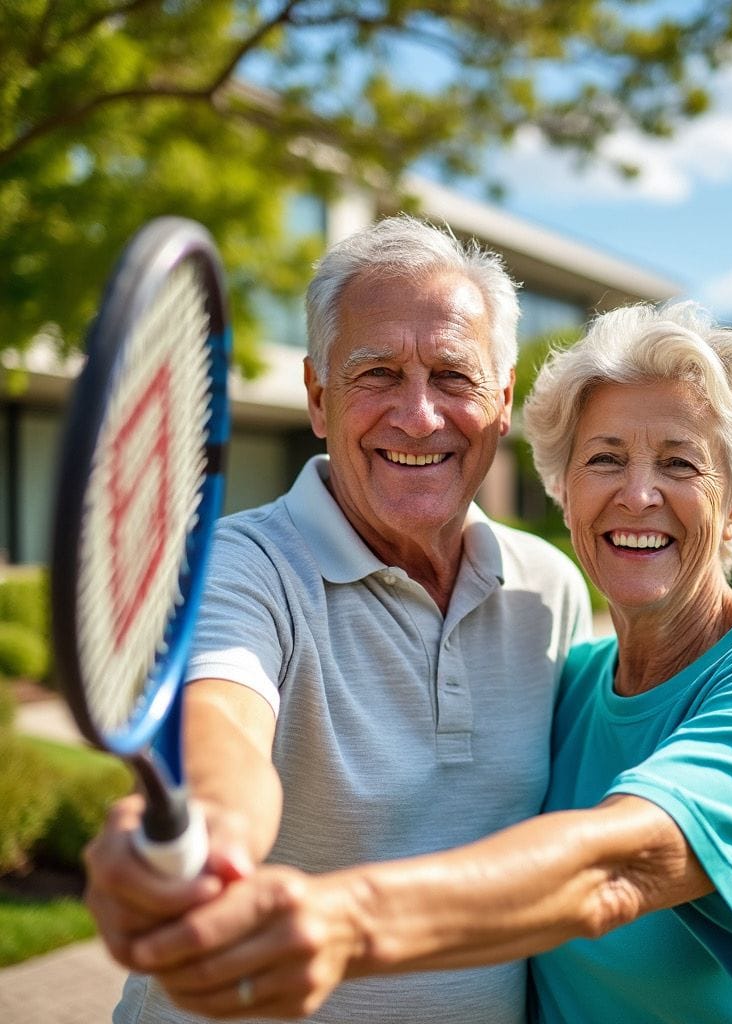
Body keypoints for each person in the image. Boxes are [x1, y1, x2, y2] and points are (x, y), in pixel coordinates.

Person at [116, 300, 732, 1023]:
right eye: (605, 459)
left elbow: (615, 868)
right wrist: (205, 833)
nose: (638, 494)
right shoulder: (570, 684)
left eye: (681, 465)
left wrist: (344, 921)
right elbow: (224, 717)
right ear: (564, 491)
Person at [84, 215, 593, 1024]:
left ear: (503, 404)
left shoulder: (551, 588)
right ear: (319, 398)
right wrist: (209, 833)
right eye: (377, 374)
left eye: (453, 377)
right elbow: (223, 727)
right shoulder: (238, 567)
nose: (418, 415)